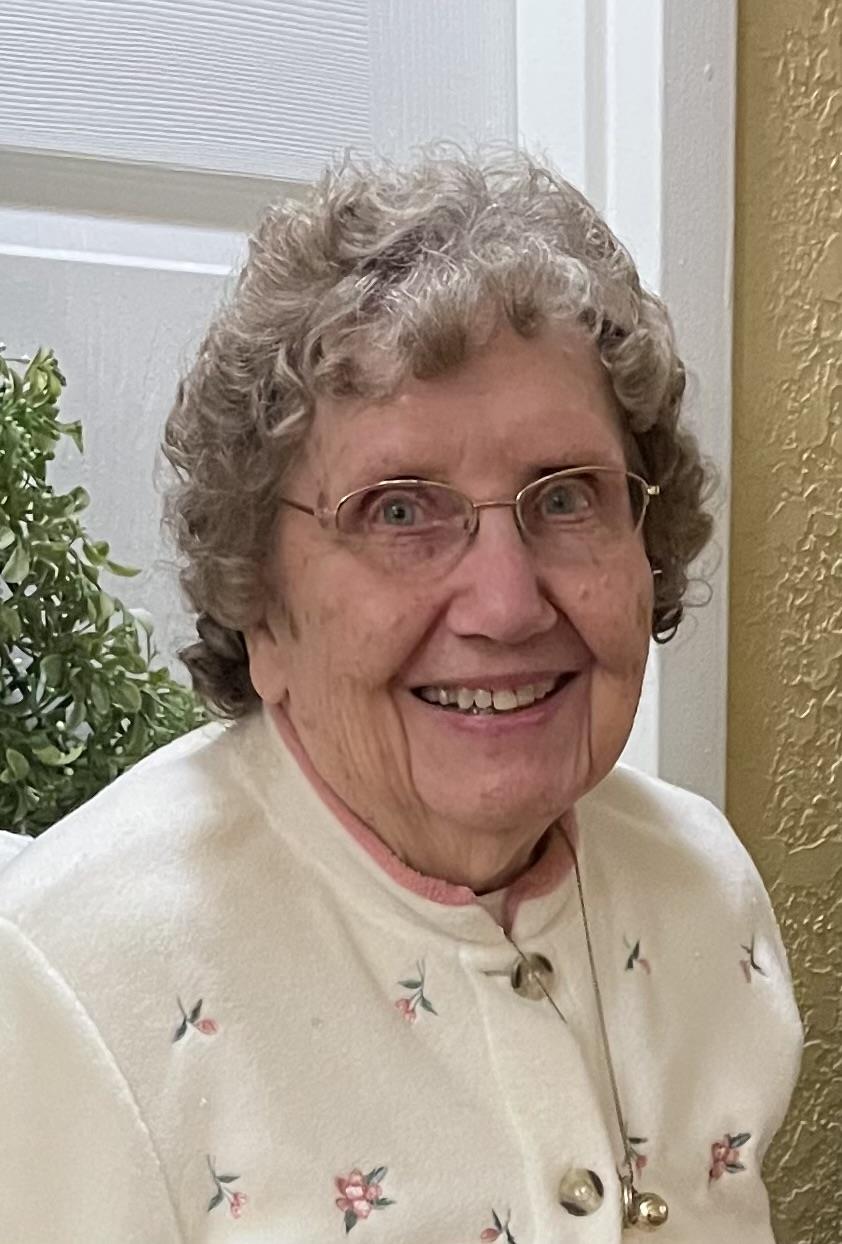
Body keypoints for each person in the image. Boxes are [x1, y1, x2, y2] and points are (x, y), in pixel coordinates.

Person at [0, 151, 801, 1243]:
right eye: (395, 510)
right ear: (259, 596)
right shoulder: (68, 985)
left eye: (565, 497)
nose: (507, 601)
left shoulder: (700, 891)